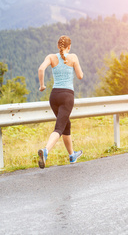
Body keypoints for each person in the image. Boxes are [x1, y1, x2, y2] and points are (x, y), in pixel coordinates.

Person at [37, 35, 84, 169]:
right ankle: (45, 151)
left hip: (54, 96)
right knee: (59, 127)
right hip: (67, 96)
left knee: (65, 124)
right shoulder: (73, 57)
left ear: (58, 46)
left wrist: (42, 86)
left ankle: (72, 155)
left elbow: (41, 69)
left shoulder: (51, 57)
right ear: (69, 47)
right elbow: (80, 76)